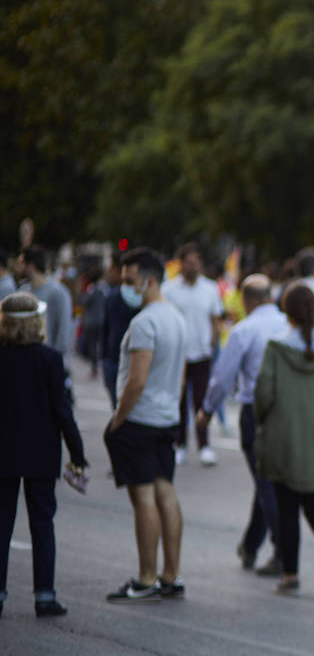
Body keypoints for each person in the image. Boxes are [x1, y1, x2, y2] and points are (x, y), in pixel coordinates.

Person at [104, 248, 190, 602]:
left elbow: (136, 381)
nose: (125, 287)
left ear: (150, 280)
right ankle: (171, 575)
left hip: (140, 419)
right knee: (165, 491)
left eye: (130, 280)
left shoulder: (144, 323)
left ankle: (146, 577)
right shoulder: (176, 317)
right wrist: (172, 408)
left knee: (143, 498)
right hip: (166, 417)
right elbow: (181, 375)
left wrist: (118, 419)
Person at [252, 283, 314, 598]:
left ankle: (290, 575)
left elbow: (263, 394)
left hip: (285, 439)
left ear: (286, 311)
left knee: (287, 509)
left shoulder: (277, 347)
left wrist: (260, 421)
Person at [0, 292, 87, 618]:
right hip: (41, 452)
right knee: (42, 523)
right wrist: (77, 453)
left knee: (1, 523)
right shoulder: (50, 359)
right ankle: (44, 595)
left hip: (4, 452)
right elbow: (62, 411)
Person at [197, 274, 289, 574]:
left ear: (247, 301)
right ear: (271, 297)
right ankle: (251, 546)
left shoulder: (244, 330)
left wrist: (207, 410)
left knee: (266, 482)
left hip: (256, 410)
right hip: (288, 411)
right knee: (267, 481)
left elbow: (223, 377)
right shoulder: (290, 325)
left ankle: (283, 552)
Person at [161, 243, 225, 466]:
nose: (194, 266)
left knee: (201, 401)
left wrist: (213, 343)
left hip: (202, 354)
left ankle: (204, 446)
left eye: (197, 262)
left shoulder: (209, 288)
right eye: (189, 262)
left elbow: (215, 318)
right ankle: (180, 445)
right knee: (178, 402)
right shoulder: (169, 289)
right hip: (177, 355)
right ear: (181, 264)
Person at [17, 247, 73, 358]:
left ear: (30, 266)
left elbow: (64, 333)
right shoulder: (21, 292)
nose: (18, 268)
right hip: (24, 360)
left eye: (21, 263)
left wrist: (54, 360)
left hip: (48, 361)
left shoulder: (59, 292)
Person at [98, 262, 139, 409]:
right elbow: (105, 328)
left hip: (134, 362)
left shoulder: (142, 302)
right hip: (113, 360)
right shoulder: (112, 298)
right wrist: (104, 357)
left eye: (130, 280)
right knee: (116, 405)